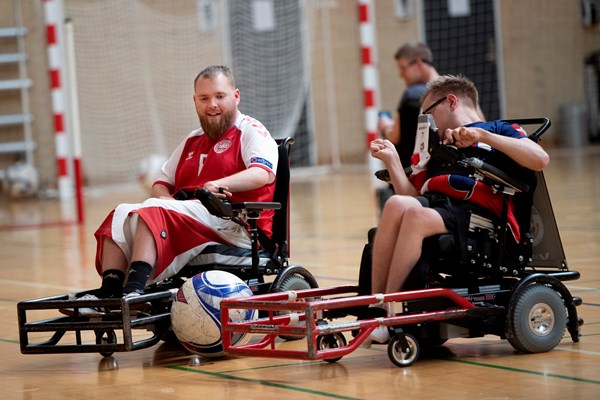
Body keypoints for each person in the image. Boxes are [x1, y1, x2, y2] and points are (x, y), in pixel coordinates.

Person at [65, 65, 278, 314]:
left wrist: (221, 184)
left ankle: (134, 292)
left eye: (220, 96)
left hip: (236, 225)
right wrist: (166, 200)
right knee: (122, 211)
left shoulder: (251, 131)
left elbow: (262, 173)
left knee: (152, 211)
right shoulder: (192, 140)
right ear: (195, 101)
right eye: (204, 98)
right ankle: (109, 293)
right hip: (195, 217)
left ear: (236, 96)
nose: (212, 105)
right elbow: (161, 182)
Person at [367, 75, 549, 337]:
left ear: (450, 101)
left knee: (416, 216)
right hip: (440, 208)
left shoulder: (497, 130)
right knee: (395, 203)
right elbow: (412, 195)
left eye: (429, 113)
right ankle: (375, 304)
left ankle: (390, 310)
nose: (427, 121)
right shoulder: (436, 145)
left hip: (483, 217)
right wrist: (393, 161)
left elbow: (540, 159)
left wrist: (481, 134)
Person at [378, 43, 440, 168]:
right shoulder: (458, 89)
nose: (401, 75)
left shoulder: (412, 94)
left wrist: (385, 126)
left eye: (403, 68)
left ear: (418, 64)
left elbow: (394, 137)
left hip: (412, 173)